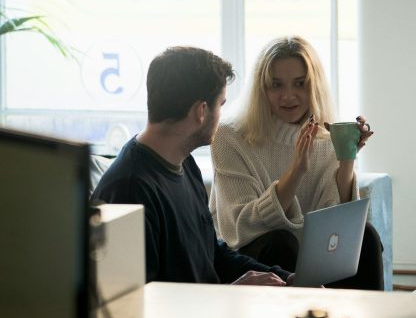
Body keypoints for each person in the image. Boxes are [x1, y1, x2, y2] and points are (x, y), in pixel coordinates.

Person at [91, 46, 290, 286]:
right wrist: (232, 295)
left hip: (207, 314)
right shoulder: (129, 190)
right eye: (221, 104)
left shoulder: (184, 162)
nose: (221, 115)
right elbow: (141, 307)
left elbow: (211, 254)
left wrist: (287, 279)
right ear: (201, 111)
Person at [209, 36, 384, 290]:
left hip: (310, 256)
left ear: (314, 86)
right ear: (262, 89)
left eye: (300, 84)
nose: (288, 96)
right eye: (276, 85)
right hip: (252, 257)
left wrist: (346, 158)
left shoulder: (323, 138)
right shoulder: (229, 136)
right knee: (280, 242)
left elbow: (337, 224)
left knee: (365, 237)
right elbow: (240, 226)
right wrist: (296, 171)